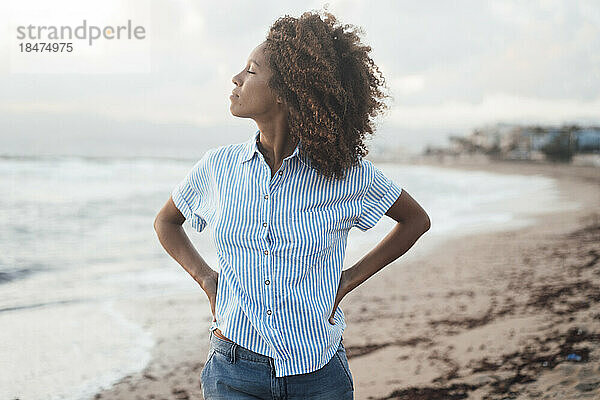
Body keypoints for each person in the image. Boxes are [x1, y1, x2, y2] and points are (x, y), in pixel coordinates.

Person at [154, 9, 431, 400]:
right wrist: (206, 278)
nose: (235, 79)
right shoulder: (217, 167)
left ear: (288, 90)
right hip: (233, 370)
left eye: (250, 70)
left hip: (319, 373)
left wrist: (349, 279)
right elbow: (166, 223)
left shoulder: (345, 173)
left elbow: (415, 221)